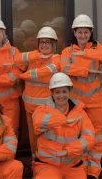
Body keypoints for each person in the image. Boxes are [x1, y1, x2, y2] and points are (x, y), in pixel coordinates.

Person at [61, 14, 102, 179]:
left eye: (86, 32)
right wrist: (85, 71)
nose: (83, 35)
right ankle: (80, 171)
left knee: (96, 138)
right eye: (80, 32)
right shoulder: (67, 51)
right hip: (76, 103)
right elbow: (64, 68)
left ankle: (94, 171)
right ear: (74, 33)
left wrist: (91, 53)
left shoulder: (98, 49)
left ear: (91, 33)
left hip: (96, 102)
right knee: (78, 136)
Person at [32, 72, 95, 179]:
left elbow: (89, 139)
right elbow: (37, 123)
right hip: (48, 165)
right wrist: (63, 120)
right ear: (52, 93)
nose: (61, 95)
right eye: (57, 92)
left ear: (70, 91)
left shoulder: (80, 113)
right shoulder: (42, 109)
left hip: (72, 165)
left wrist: (68, 151)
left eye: (64, 91)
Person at [14, 26, 60, 157]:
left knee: (47, 138)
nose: (45, 45)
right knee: (33, 138)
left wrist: (25, 75)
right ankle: (36, 163)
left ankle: (46, 162)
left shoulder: (56, 58)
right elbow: (16, 59)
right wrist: (36, 55)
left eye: (48, 42)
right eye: (42, 42)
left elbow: (47, 71)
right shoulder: (33, 57)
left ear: (53, 44)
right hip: (29, 108)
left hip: (46, 108)